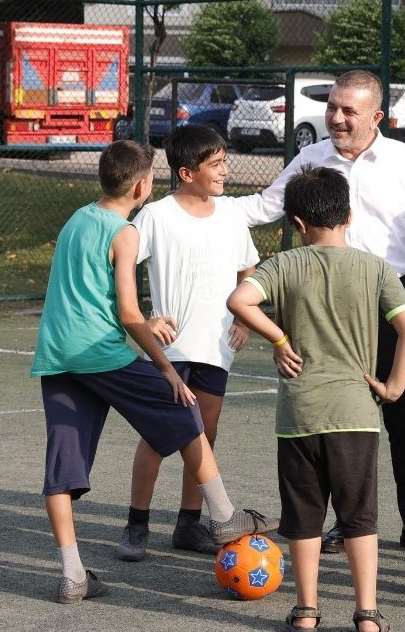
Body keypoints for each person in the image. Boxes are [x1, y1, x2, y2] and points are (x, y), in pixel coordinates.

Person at [29, 139, 275, 604]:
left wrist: (149, 319)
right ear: (142, 186)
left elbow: (95, 294)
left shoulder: (76, 219)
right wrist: (166, 368)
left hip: (57, 356)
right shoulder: (126, 233)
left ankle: (73, 575)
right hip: (100, 354)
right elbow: (126, 312)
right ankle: (223, 516)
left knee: (61, 470)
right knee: (186, 413)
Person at [233, 69, 405, 554]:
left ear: (377, 116)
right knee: (334, 419)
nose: (337, 118)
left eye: (349, 110)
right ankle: (344, 521)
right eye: (332, 106)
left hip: (392, 303)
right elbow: (263, 207)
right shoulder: (310, 157)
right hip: (327, 308)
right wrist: (199, 204)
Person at [228, 165, 405, 632]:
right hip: (355, 414)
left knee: (304, 516)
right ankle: (368, 613)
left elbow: (239, 300)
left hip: (299, 414)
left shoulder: (282, 265)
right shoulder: (376, 269)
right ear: (349, 215)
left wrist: (278, 339)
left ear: (296, 223)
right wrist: (392, 387)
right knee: (359, 516)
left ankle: (307, 611)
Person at [114, 125, 259, 560]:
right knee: (160, 436)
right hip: (172, 350)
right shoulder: (156, 216)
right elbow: (119, 265)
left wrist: (244, 316)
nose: (224, 171)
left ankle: (188, 524)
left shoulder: (231, 214)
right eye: (215, 165)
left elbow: (248, 268)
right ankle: (136, 524)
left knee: (204, 432)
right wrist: (145, 316)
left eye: (223, 162)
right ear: (186, 172)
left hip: (217, 346)